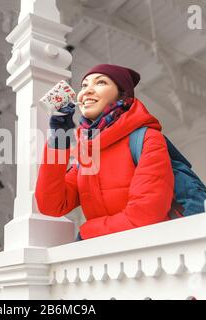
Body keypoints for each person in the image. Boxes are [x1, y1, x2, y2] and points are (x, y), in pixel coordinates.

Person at [35, 64, 174, 240]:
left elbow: (145, 216)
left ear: (122, 94)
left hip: (150, 253)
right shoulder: (86, 154)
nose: (87, 91)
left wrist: (87, 232)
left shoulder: (148, 138)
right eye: (84, 85)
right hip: (107, 256)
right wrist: (59, 137)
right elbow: (51, 205)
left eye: (100, 82)